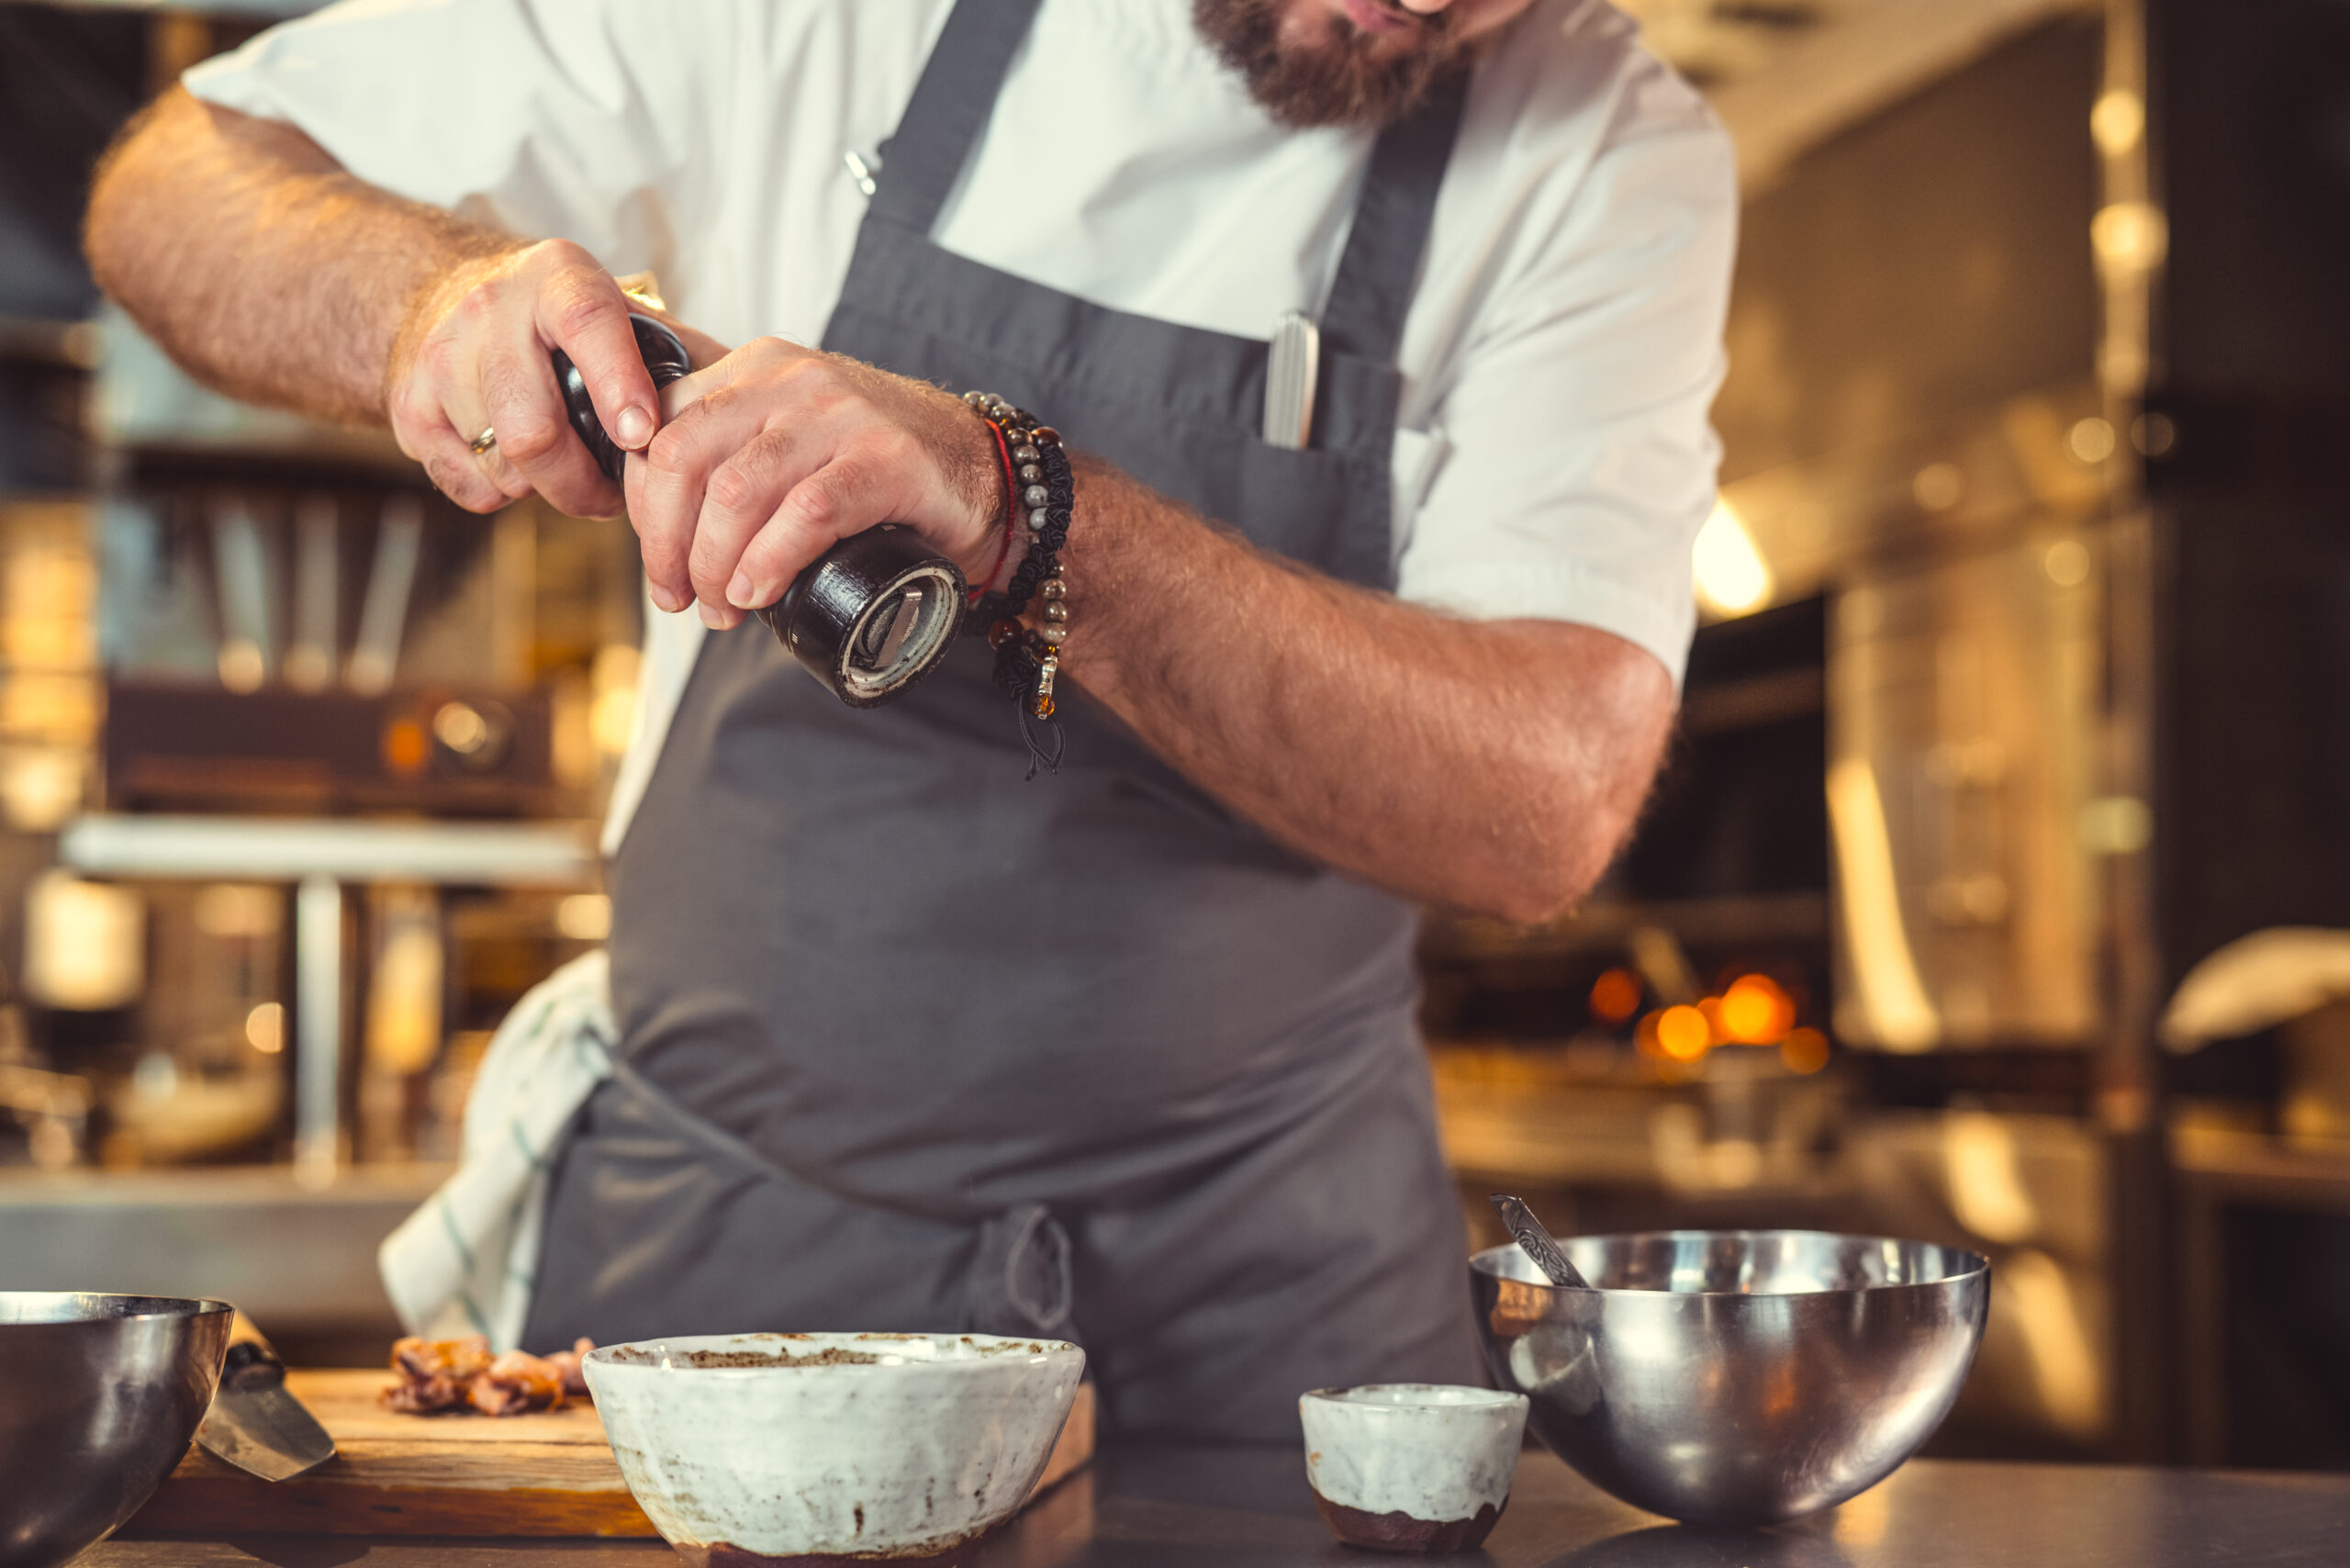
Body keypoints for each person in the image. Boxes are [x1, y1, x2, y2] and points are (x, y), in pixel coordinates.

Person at [85, 0, 1734, 1440]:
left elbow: (1547, 804)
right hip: (730, 1268)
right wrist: (433, 301)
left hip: (1279, 1311)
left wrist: (1019, 508)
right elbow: (177, 181)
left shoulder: (1605, 149)